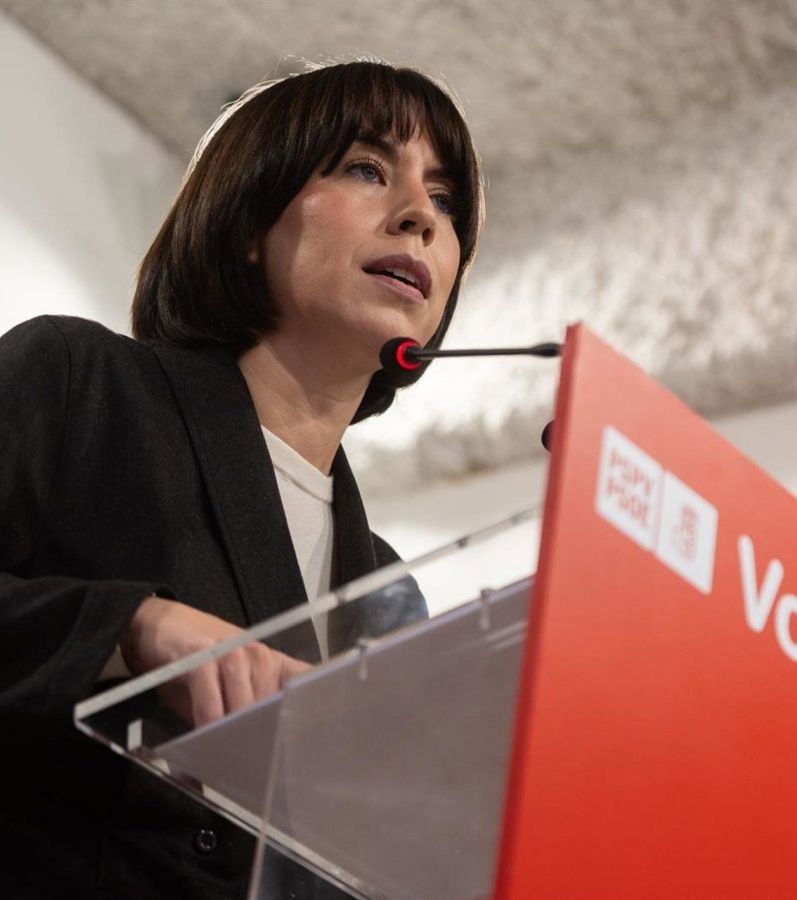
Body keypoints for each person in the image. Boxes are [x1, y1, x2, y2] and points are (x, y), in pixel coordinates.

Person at [0, 60, 484, 898]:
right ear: (248, 221)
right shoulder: (82, 383)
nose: (420, 218)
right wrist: (131, 629)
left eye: (445, 201)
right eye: (367, 169)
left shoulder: (390, 590)